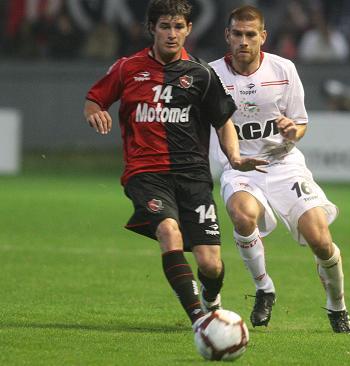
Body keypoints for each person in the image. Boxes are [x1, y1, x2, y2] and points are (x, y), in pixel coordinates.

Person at [83, 0, 267, 330]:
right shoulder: (128, 68)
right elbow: (95, 98)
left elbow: (222, 119)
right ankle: (200, 321)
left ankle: (212, 301)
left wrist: (234, 157)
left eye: (179, 27)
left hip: (193, 178)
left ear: (189, 30)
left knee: (211, 265)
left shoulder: (201, 74)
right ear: (151, 28)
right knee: (170, 232)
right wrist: (94, 111)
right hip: (146, 174)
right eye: (165, 26)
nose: (172, 34)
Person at [209, 5, 350, 333]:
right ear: (227, 36)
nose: (243, 41)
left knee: (320, 239)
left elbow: (300, 123)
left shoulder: (284, 69)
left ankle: (337, 306)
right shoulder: (211, 75)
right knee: (242, 214)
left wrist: (292, 131)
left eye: (250, 35)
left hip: (284, 164)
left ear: (263, 36)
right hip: (240, 166)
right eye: (237, 34)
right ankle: (264, 288)